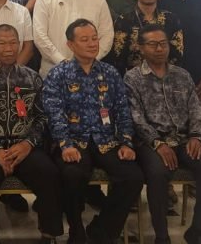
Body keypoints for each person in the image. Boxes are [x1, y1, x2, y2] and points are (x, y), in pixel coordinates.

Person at [43, 19, 144, 244]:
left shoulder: (110, 73)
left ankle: (103, 229)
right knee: (72, 174)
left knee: (133, 176)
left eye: (94, 38)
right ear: (70, 45)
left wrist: (126, 142)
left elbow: (122, 110)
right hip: (73, 141)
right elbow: (54, 113)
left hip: (106, 140)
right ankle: (76, 230)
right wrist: (65, 144)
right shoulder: (58, 74)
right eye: (84, 39)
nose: (92, 43)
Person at [125, 25, 201, 244]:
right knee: (158, 172)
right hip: (151, 143)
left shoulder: (182, 75)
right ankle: (161, 235)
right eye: (153, 44)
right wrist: (157, 143)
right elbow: (135, 117)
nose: (159, 49)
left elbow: (195, 108)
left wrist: (196, 136)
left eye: (163, 43)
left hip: (184, 139)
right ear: (141, 48)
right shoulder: (133, 78)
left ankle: (198, 230)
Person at [0, 24, 61, 244]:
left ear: (19, 45)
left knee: (49, 172)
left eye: (12, 43)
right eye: (1, 43)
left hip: (25, 145)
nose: (8, 48)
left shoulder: (32, 78)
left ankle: (49, 234)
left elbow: (42, 118)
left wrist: (28, 144)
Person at [106, 0, 184, 76]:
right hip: (133, 79)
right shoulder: (123, 21)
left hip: (166, 78)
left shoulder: (171, 19)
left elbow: (178, 54)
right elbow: (118, 57)